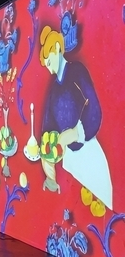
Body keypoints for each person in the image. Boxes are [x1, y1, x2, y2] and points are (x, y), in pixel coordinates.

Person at [39, 25, 112, 210]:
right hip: (70, 160)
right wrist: (47, 160)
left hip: (89, 153)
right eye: (46, 65)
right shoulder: (54, 89)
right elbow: (48, 124)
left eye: (49, 62)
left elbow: (94, 109)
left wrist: (74, 133)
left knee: (99, 205)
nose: (49, 69)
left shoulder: (76, 71)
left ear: (57, 48)